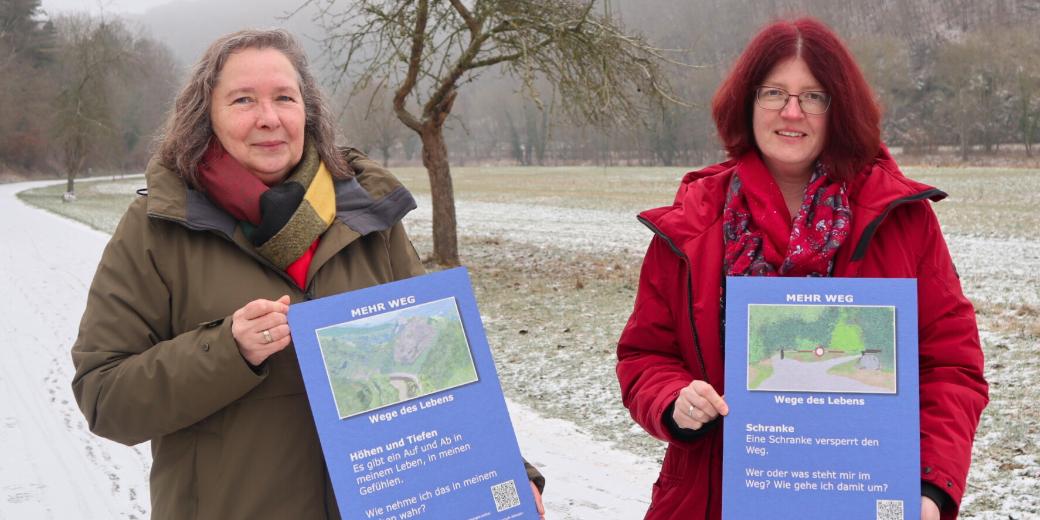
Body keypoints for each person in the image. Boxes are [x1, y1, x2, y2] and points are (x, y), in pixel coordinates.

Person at [70, 29, 544, 519]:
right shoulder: (159, 228)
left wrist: (508, 470)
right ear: (205, 116)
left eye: (284, 98)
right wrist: (226, 351)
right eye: (243, 100)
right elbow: (104, 397)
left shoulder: (368, 215)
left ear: (307, 112)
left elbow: (445, 370)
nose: (268, 118)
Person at [616, 18, 988, 520]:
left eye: (814, 96)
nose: (792, 112)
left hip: (860, 496)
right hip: (712, 500)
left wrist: (931, 488)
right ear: (747, 103)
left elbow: (951, 367)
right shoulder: (692, 221)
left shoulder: (902, 219)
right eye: (774, 93)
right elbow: (645, 354)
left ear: (840, 109)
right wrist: (673, 400)